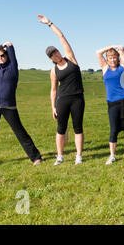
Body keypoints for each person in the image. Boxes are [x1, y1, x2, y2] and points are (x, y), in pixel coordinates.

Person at [0, 42, 42, 167]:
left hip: (9, 107)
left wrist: (6, 46)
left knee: (20, 132)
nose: (0, 59)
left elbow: (11, 48)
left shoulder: (13, 66)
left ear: (7, 55)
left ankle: (35, 157)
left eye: (2, 55)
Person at [39, 15, 85, 165]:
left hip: (77, 98)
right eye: (52, 55)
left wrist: (49, 23)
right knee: (61, 128)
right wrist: (53, 106)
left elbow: (61, 37)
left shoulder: (71, 59)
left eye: (56, 52)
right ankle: (60, 156)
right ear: (51, 59)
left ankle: (79, 156)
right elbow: (53, 90)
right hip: (63, 100)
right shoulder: (53, 71)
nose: (56, 55)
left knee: (78, 127)